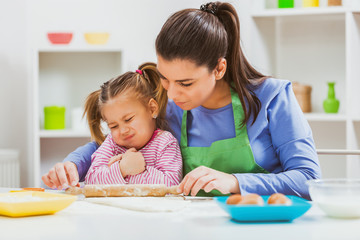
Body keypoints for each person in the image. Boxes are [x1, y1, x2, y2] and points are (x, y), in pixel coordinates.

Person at [42, 2, 321, 199]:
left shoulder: (272, 97)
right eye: (165, 78)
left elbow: (309, 178)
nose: (171, 94)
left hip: (267, 224)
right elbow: (111, 143)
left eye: (185, 83)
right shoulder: (170, 106)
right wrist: (72, 164)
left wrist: (235, 182)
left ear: (219, 69)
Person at [43, 63, 182, 187]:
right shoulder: (112, 143)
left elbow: (171, 185)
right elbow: (92, 180)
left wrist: (139, 169)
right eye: (113, 126)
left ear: (152, 108)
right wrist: (122, 168)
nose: (123, 130)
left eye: (128, 119)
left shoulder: (165, 143)